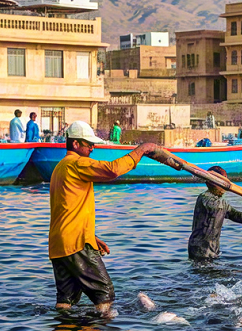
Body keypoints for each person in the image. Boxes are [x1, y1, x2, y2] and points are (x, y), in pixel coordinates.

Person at [48, 120, 159, 315]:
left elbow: (67, 209)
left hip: (59, 245)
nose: (92, 148)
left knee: (66, 299)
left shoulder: (60, 167)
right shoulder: (76, 163)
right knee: (104, 293)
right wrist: (140, 151)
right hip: (75, 243)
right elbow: (112, 170)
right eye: (89, 144)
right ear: (76, 144)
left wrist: (91, 237)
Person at [188, 165, 242, 261]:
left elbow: (233, 214)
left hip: (212, 248)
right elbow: (216, 207)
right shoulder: (205, 198)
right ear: (211, 183)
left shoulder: (220, 202)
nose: (224, 188)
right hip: (200, 248)